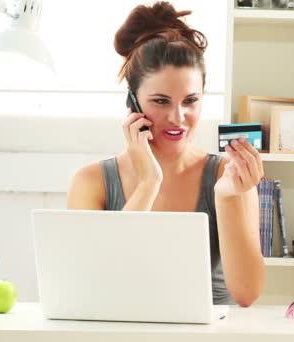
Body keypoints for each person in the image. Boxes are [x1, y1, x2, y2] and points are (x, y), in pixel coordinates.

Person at [66, 2, 265, 307]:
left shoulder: (227, 175)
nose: (178, 117)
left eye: (190, 101)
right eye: (160, 101)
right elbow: (94, 282)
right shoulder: (92, 181)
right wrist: (148, 183)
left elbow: (247, 294)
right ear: (133, 103)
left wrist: (227, 198)